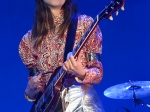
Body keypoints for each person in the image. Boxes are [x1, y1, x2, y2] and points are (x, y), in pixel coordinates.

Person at [19, 0, 105, 111]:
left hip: (81, 105)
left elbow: (98, 73)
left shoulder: (85, 24)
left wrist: (81, 73)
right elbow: (37, 86)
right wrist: (29, 92)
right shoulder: (28, 41)